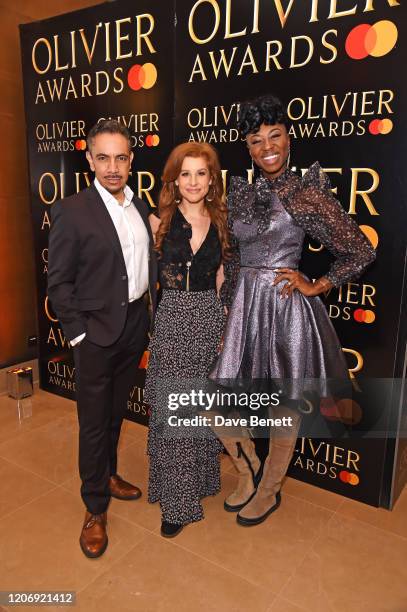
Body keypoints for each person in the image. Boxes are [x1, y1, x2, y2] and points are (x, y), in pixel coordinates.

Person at [210, 94, 376, 526]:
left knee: (285, 403)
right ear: (247, 147)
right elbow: (231, 256)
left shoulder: (306, 193)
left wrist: (316, 284)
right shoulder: (241, 192)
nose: (267, 145)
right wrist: (230, 307)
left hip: (286, 310)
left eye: (275, 135)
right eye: (256, 139)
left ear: (288, 140)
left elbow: (359, 251)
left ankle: (270, 489)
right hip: (245, 308)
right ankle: (247, 473)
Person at [47, 119, 157, 557]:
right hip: (94, 334)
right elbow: (58, 283)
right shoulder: (72, 210)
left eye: (121, 157)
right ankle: (94, 507)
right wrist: (78, 336)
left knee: (115, 413)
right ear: (89, 159)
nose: (113, 167)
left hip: (133, 326)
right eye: (103, 157)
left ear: (131, 160)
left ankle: (108, 473)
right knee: (92, 425)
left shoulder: (139, 205)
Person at [146, 142, 228, 538]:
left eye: (201, 173)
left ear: (211, 179)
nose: (193, 181)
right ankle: (177, 502)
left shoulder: (221, 220)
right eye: (185, 174)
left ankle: (201, 481)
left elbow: (221, 280)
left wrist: (225, 329)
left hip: (209, 321)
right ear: (174, 180)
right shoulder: (157, 221)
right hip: (174, 321)